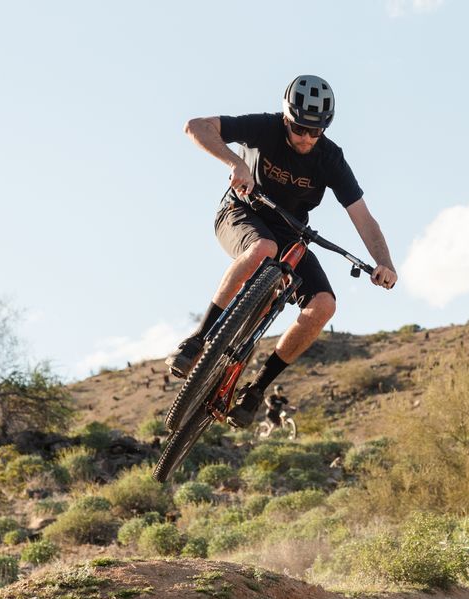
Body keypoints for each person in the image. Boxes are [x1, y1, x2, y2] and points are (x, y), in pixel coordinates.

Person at [165, 75, 397, 429]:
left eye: (314, 132)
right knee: (263, 248)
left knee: (324, 304)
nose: (305, 138)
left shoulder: (330, 159)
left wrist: (385, 263)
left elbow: (363, 217)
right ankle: (198, 339)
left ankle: (255, 391)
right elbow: (196, 126)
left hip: (291, 230)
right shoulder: (265, 128)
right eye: (299, 128)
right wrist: (234, 163)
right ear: (286, 117)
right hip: (241, 213)